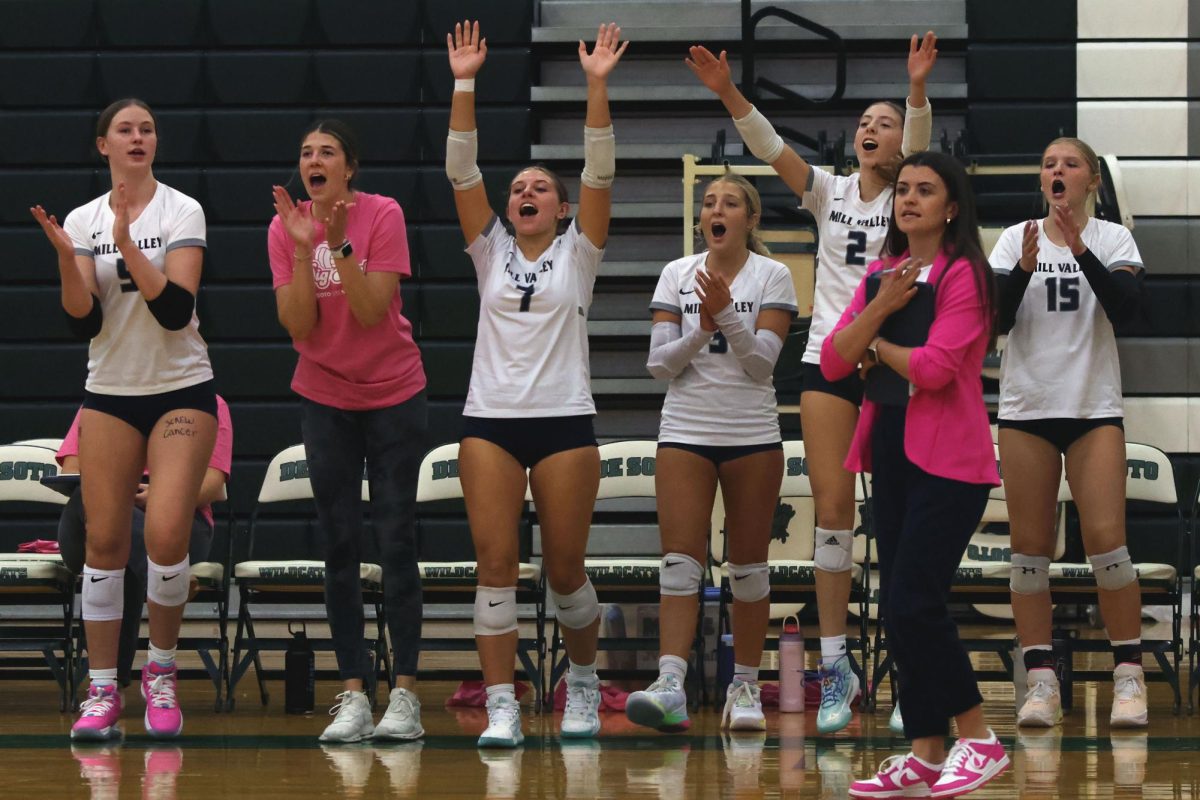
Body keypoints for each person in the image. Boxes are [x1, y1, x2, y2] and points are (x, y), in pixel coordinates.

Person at [685, 32, 938, 733]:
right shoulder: (827, 191)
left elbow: (917, 147)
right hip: (830, 359)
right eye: (864, 122)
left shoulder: (912, 197)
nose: (869, 129)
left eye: (883, 124)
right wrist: (728, 92)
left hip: (890, 357)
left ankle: (911, 670)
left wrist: (915, 91)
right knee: (832, 511)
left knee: (898, 516)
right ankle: (836, 668)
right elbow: (769, 147)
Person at [444, 19, 624, 747]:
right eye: (518, 186)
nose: (525, 192)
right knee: (495, 567)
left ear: (559, 207)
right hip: (489, 418)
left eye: (540, 187)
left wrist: (596, 86)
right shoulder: (488, 250)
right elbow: (462, 171)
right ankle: (501, 704)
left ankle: (581, 685)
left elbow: (602, 172)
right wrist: (464, 83)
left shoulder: (580, 253)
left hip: (563, 421)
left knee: (565, 571)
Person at [821, 151, 1008, 797]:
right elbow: (831, 362)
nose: (909, 199)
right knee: (896, 611)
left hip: (951, 460)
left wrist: (874, 346)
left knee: (914, 602)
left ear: (951, 207)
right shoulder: (880, 273)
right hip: (892, 450)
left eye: (926, 190)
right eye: (903, 189)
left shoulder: (967, 276)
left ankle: (979, 737)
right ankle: (927, 752)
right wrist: (877, 316)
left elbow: (934, 369)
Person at [31, 98, 218, 740]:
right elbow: (82, 320)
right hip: (109, 391)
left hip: (180, 389)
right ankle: (104, 688)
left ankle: (161, 674)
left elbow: (174, 311)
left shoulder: (182, 209)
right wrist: (67, 255)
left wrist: (126, 244)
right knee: (105, 542)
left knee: (166, 536)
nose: (138, 137)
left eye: (147, 129)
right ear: (102, 146)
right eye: (125, 130)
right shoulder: (82, 218)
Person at [269, 118, 428, 743]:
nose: (315, 159)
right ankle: (356, 692)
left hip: (394, 393)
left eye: (327, 151)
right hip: (325, 396)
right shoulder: (284, 228)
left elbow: (368, 311)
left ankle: (406, 697)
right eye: (306, 151)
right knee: (339, 546)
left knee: (396, 541)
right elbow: (299, 326)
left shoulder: (382, 213)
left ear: (348, 167)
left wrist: (336, 245)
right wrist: (306, 246)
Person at [627, 172, 797, 732]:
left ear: (750, 219)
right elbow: (658, 365)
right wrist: (702, 329)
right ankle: (671, 682)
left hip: (751, 433)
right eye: (708, 203)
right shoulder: (678, 273)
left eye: (729, 202)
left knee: (748, 568)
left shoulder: (773, 274)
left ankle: (744, 685)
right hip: (685, 430)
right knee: (679, 564)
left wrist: (724, 314)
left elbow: (762, 363)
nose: (715, 209)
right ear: (701, 220)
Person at [991, 137, 1147, 729]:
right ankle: (1040, 682)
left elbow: (1129, 309)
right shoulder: (1015, 238)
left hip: (1091, 407)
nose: (1058, 171)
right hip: (1027, 409)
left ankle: (1127, 677)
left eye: (1070, 164)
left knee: (1109, 544)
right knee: (1029, 552)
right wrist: (1026, 268)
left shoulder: (1112, 239)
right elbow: (995, 319)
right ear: (1041, 181)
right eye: (1049, 164)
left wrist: (1079, 247)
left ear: (1091, 182)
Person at [55, 397, 233, 688]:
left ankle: (108, 685)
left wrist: (163, 495)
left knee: (117, 543)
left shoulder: (209, 403)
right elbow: (71, 471)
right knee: (93, 500)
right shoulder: (102, 397)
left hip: (179, 514)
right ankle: (169, 580)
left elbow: (212, 484)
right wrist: (118, 491)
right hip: (101, 513)